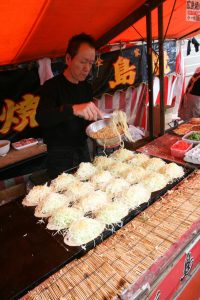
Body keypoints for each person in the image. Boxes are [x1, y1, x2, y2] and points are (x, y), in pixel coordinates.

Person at [36, 33, 103, 179]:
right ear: (68, 59)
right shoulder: (52, 86)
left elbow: (88, 122)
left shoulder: (86, 87)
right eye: (83, 62)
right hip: (59, 156)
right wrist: (72, 109)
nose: (87, 68)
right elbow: (42, 117)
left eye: (91, 63)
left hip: (83, 150)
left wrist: (102, 126)